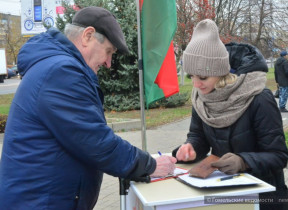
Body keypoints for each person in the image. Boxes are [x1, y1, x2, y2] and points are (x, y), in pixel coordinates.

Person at [0, 6, 176, 210]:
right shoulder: (61, 72)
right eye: (108, 52)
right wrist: (150, 165)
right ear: (88, 36)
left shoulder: (57, 67)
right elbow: (96, 142)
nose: (109, 63)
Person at [172, 19, 288, 210]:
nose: (196, 84)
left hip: (264, 198)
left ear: (221, 72)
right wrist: (191, 148)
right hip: (224, 196)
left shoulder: (259, 98)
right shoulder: (201, 96)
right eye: (191, 76)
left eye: (202, 77)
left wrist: (244, 162)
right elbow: (198, 136)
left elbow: (279, 156)